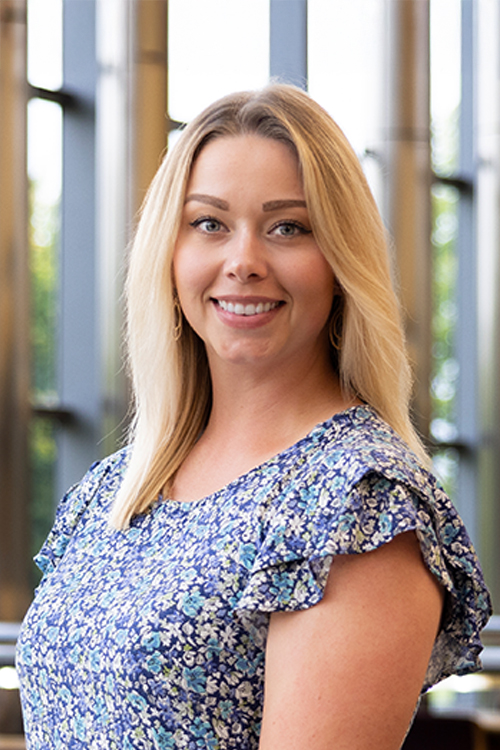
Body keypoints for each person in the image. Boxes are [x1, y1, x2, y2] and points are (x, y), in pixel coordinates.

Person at [17, 84, 491, 749]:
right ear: (170, 252)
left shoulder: (356, 507)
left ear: (339, 261)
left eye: (288, 227)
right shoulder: (113, 491)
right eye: (209, 222)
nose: (243, 262)